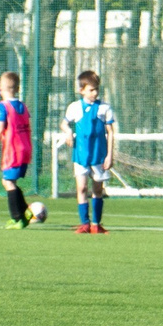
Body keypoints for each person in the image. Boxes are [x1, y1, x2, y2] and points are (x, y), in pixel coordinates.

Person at [64, 68, 117, 234]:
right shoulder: (74, 107)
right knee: (81, 189)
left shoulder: (104, 108)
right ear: (82, 90)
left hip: (99, 155)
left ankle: (96, 224)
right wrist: (67, 133)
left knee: (97, 190)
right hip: (81, 155)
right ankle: (84, 223)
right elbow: (64, 123)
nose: (94, 93)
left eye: (97, 89)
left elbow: (110, 132)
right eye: (91, 90)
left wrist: (109, 155)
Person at [0, 71, 35, 228]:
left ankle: (17, 218)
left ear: (0, 87)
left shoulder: (3, 107)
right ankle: (25, 211)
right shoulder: (23, 106)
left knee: (8, 182)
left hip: (13, 151)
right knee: (9, 181)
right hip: (25, 149)